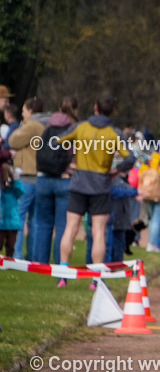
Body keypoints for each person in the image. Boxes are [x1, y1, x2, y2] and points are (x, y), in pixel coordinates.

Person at [57, 93, 134, 287]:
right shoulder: (114, 133)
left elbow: (58, 142)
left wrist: (67, 164)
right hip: (101, 185)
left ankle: (63, 275)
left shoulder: (80, 127)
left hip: (79, 184)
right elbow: (130, 157)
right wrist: (117, 170)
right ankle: (95, 279)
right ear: (113, 111)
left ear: (95, 108)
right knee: (99, 232)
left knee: (71, 228)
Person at [30, 97, 76, 264]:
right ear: (74, 111)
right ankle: (60, 263)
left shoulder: (46, 127)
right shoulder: (72, 130)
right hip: (64, 180)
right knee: (63, 225)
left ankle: (40, 263)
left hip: (43, 179)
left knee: (43, 223)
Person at [9, 96, 46, 259]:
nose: (22, 115)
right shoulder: (45, 125)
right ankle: (34, 256)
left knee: (19, 217)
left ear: (30, 111)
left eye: (24, 111)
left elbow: (13, 140)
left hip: (27, 176)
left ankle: (16, 256)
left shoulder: (32, 126)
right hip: (41, 177)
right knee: (36, 220)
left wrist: (20, 128)